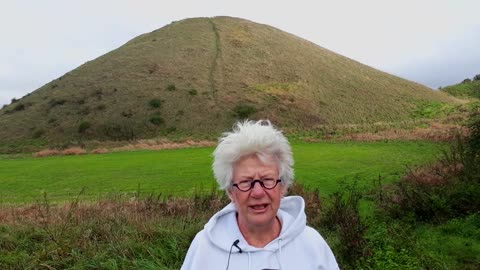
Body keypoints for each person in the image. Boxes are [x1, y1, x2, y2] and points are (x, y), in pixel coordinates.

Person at [181, 120, 339, 270]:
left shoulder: (312, 244)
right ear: (230, 191)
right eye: (245, 182)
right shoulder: (204, 249)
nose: (257, 192)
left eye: (267, 180)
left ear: (282, 186)